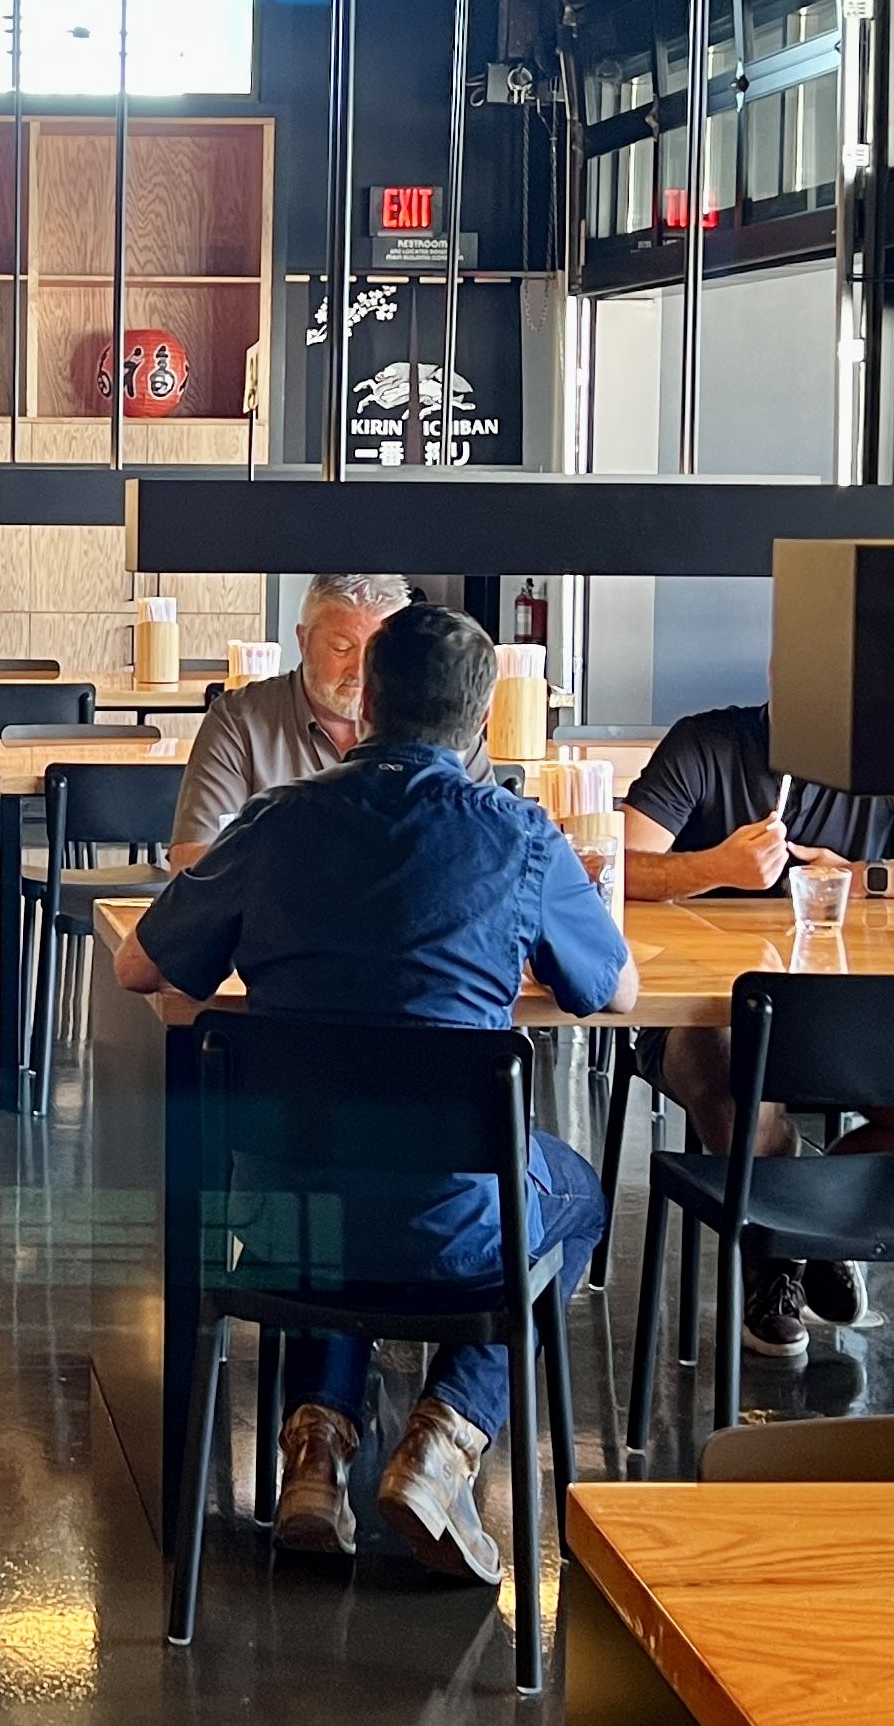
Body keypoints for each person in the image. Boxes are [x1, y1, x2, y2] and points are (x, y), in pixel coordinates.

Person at [115, 603, 631, 1584]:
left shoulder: (274, 824)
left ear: (366, 698)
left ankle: (316, 1452)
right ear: (482, 727)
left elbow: (143, 967)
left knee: (329, 1172)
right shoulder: (520, 838)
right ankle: (445, 1439)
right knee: (578, 1201)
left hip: (281, 1224)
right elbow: (611, 990)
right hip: (456, 1229)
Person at [619, 699, 894, 1362]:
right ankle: (770, 1268)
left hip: (839, 1011)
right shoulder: (708, 743)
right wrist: (712, 866)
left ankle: (797, 1235)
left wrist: (863, 879)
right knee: (733, 1077)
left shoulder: (889, 749)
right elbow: (616, 863)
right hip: (698, 1010)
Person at [167, 572, 412, 868]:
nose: (359, 670)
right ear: (303, 640)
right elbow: (192, 862)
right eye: (341, 648)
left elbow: (476, 849)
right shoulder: (239, 721)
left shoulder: (436, 721)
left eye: (376, 652)